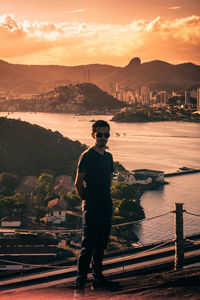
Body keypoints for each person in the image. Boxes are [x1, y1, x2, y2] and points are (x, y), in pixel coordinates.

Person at [74, 120, 119, 296]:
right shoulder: (87, 155)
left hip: (106, 204)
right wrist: (86, 201)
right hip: (92, 206)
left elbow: (108, 181)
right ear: (92, 135)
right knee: (88, 245)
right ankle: (80, 285)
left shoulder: (109, 157)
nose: (103, 138)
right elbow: (78, 183)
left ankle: (98, 279)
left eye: (106, 134)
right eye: (99, 134)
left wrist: (106, 200)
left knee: (101, 244)